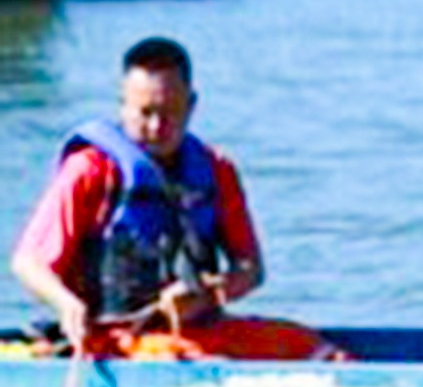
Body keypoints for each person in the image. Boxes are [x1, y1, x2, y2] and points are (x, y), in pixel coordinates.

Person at [11, 36, 338, 361]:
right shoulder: (90, 171)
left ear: (192, 104)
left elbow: (250, 269)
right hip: (114, 341)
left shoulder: (216, 170)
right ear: (123, 106)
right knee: (176, 356)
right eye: (145, 113)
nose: (156, 126)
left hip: (201, 329)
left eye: (170, 112)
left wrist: (208, 295)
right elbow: (28, 263)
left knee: (315, 349)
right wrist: (67, 305)